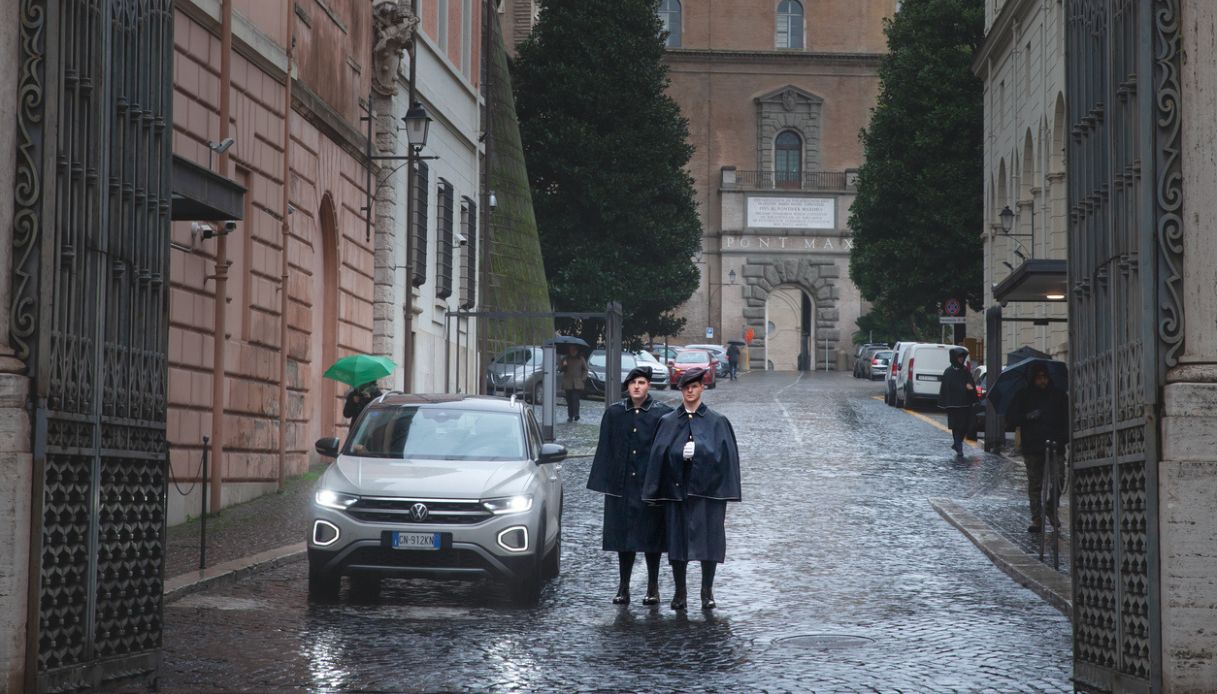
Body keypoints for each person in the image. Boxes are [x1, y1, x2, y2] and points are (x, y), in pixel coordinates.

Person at [642, 368, 742, 611]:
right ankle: (680, 592)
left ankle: (707, 591)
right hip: (677, 492)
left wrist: (701, 454)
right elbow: (659, 457)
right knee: (678, 544)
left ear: (702, 388)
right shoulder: (668, 422)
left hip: (707, 493)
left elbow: (725, 457)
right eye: (686, 387)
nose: (690, 390)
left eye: (694, 386)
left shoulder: (717, 422)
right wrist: (679, 454)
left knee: (709, 544)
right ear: (681, 389)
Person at [587, 366, 673, 605]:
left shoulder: (662, 414)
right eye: (633, 382)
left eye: (642, 382)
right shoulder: (614, 413)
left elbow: (667, 450)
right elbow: (605, 448)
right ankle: (623, 586)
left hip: (649, 486)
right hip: (621, 486)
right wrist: (606, 482)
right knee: (623, 539)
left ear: (648, 386)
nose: (637, 386)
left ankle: (653, 587)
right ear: (627, 386)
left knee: (651, 538)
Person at [1007, 363, 1069, 533]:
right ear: (1033, 379)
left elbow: (1066, 419)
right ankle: (1036, 517)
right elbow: (1011, 419)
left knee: (1059, 479)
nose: (1042, 381)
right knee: (1035, 484)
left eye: (1044, 377)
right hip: (1033, 447)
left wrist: (1063, 438)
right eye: (1038, 377)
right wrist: (1027, 416)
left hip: (1055, 445)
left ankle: (1051, 507)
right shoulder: (1023, 396)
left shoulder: (1059, 395)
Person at [937, 346, 978, 457]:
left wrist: (970, 388)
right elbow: (945, 388)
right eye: (959, 357)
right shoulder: (948, 372)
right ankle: (958, 446)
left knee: (964, 426)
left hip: (964, 404)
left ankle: (957, 443)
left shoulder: (965, 371)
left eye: (962, 357)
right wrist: (944, 402)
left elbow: (970, 383)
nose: (961, 359)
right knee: (955, 427)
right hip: (953, 405)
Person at [559, 345, 588, 422]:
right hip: (568, 382)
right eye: (571, 349)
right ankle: (570, 416)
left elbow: (585, 370)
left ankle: (576, 414)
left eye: (574, 349)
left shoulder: (581, 359)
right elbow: (560, 369)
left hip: (578, 383)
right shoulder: (565, 359)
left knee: (575, 399)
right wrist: (564, 365)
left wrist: (583, 379)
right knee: (569, 400)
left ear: (576, 350)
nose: (572, 351)